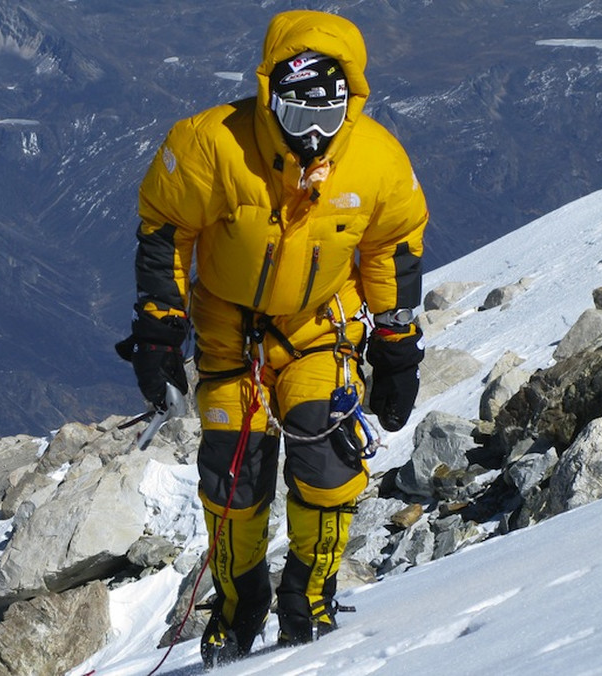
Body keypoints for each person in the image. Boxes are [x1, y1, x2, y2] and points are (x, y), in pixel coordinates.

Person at [115, 9, 428, 669]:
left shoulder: (375, 161)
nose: (313, 136)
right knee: (235, 474)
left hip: (322, 328)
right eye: (295, 116)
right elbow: (167, 228)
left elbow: (392, 247)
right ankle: (239, 602)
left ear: (353, 102)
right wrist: (158, 329)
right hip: (231, 333)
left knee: (327, 462)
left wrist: (396, 341)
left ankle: (309, 596)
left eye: (328, 116)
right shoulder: (211, 146)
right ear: (268, 98)